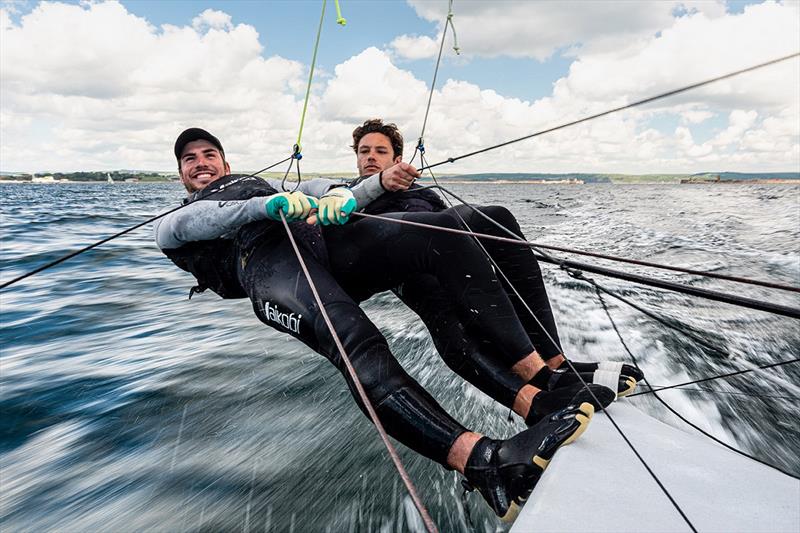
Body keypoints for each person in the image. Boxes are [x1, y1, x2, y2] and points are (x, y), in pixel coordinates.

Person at [154, 128, 614, 520]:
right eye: (189, 159)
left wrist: (341, 194)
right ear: (181, 174)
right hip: (267, 268)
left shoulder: (262, 184)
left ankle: (544, 381)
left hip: (323, 246)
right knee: (357, 342)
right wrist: (270, 207)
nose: (200, 162)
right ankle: (484, 462)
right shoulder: (174, 221)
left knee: (442, 236)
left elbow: (332, 193)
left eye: (208, 154)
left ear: (226, 161)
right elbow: (205, 220)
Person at [321, 119, 644, 423]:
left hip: (442, 245)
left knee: (497, 215)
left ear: (397, 158)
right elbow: (340, 215)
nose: (371, 158)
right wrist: (377, 185)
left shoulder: (420, 193)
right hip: (395, 261)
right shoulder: (346, 193)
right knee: (440, 301)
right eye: (364, 151)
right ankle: (534, 384)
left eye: (380, 151)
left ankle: (555, 361)